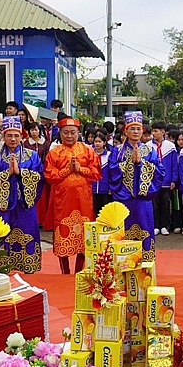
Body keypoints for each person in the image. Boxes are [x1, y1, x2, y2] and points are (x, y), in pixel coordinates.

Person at [0, 116, 44, 273]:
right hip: (4, 207)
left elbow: (39, 178)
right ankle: (1, 268)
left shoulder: (32, 156)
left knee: (28, 231)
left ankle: (28, 265)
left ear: (22, 136)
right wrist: (6, 174)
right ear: (2, 136)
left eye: (16, 135)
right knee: (2, 235)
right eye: (9, 135)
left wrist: (19, 172)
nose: (13, 139)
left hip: (25, 205)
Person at [44, 115, 102, 274]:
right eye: (66, 132)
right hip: (62, 201)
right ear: (60, 133)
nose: (69, 136)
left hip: (83, 200)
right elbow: (50, 176)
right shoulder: (54, 153)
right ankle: (65, 272)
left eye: (73, 132)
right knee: (63, 235)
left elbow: (96, 173)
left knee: (84, 236)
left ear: (78, 133)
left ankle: (79, 271)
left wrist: (80, 169)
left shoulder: (87, 151)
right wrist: (67, 170)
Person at [109, 111, 165, 261]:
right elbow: (112, 171)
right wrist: (129, 163)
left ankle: (145, 270)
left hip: (143, 200)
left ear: (143, 131)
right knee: (123, 233)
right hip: (124, 199)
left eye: (138, 128)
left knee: (144, 231)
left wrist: (141, 163)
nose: (135, 132)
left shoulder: (149, 150)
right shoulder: (118, 151)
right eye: (132, 128)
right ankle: (123, 266)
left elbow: (159, 172)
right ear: (125, 130)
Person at [150, 121, 177, 237]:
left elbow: (174, 165)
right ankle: (155, 225)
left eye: (156, 131)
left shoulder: (170, 146)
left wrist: (173, 180)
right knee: (154, 204)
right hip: (152, 181)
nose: (153, 133)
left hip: (167, 180)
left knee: (165, 204)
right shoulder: (148, 146)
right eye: (153, 131)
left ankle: (164, 226)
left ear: (163, 132)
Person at [92, 133, 112, 216]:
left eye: (99, 141)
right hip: (93, 187)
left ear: (104, 142)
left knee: (104, 210)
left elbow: (112, 173)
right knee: (94, 209)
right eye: (95, 141)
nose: (97, 143)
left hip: (105, 188)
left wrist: (111, 187)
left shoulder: (109, 155)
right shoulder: (91, 154)